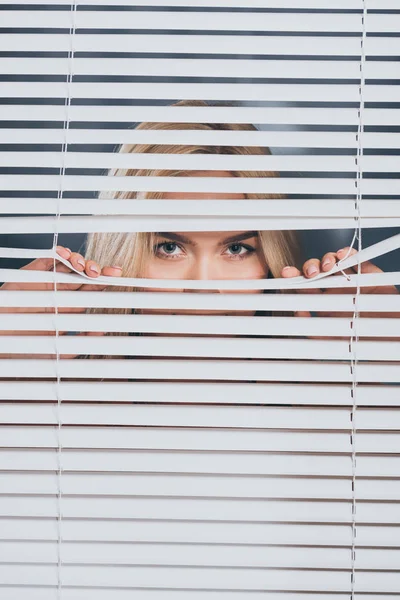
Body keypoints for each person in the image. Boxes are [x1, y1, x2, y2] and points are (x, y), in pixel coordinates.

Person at [0, 100, 398, 358]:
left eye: (237, 248)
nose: (204, 286)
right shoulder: (52, 417)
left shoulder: (336, 416)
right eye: (170, 248)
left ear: (272, 260)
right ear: (121, 253)